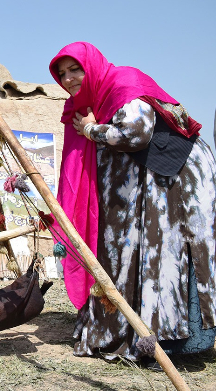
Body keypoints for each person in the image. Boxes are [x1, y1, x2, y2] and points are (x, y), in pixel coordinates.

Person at [49, 42, 216, 362]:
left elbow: (135, 133)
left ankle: (176, 340)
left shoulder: (122, 84)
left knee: (165, 258)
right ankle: (146, 332)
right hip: (157, 178)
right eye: (62, 73)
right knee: (142, 254)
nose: (69, 79)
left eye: (75, 70)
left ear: (92, 66)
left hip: (178, 178)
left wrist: (91, 129)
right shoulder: (93, 99)